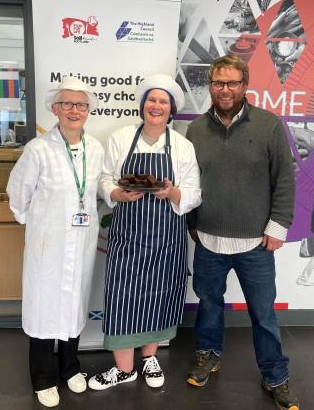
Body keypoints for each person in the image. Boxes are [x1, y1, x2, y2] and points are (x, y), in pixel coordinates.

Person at [185, 54, 299, 410]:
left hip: (256, 243)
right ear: (210, 85)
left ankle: (275, 375)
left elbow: (285, 179)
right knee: (209, 304)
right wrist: (192, 223)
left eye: (232, 83)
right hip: (209, 240)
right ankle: (208, 355)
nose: (225, 89)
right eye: (219, 82)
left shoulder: (268, 124)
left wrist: (278, 226)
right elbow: (190, 182)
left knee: (263, 314)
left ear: (244, 85)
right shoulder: (195, 130)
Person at [89, 75, 201, 391]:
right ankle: (124, 368)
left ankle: (150, 357)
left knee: (160, 295)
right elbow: (104, 178)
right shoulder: (121, 138)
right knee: (122, 296)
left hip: (167, 238)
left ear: (171, 109)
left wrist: (173, 192)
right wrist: (117, 193)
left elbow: (194, 192)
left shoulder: (183, 146)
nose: (156, 106)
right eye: (151, 100)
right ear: (142, 105)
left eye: (163, 101)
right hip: (128, 236)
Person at [7, 76, 104, 408]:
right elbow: (18, 195)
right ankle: (43, 377)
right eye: (67, 104)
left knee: (73, 304)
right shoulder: (38, 149)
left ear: (88, 110)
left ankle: (70, 367)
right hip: (47, 246)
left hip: (81, 244)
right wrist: (39, 227)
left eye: (80, 105)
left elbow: (97, 190)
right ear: (55, 108)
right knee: (44, 309)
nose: (74, 110)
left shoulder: (95, 148)